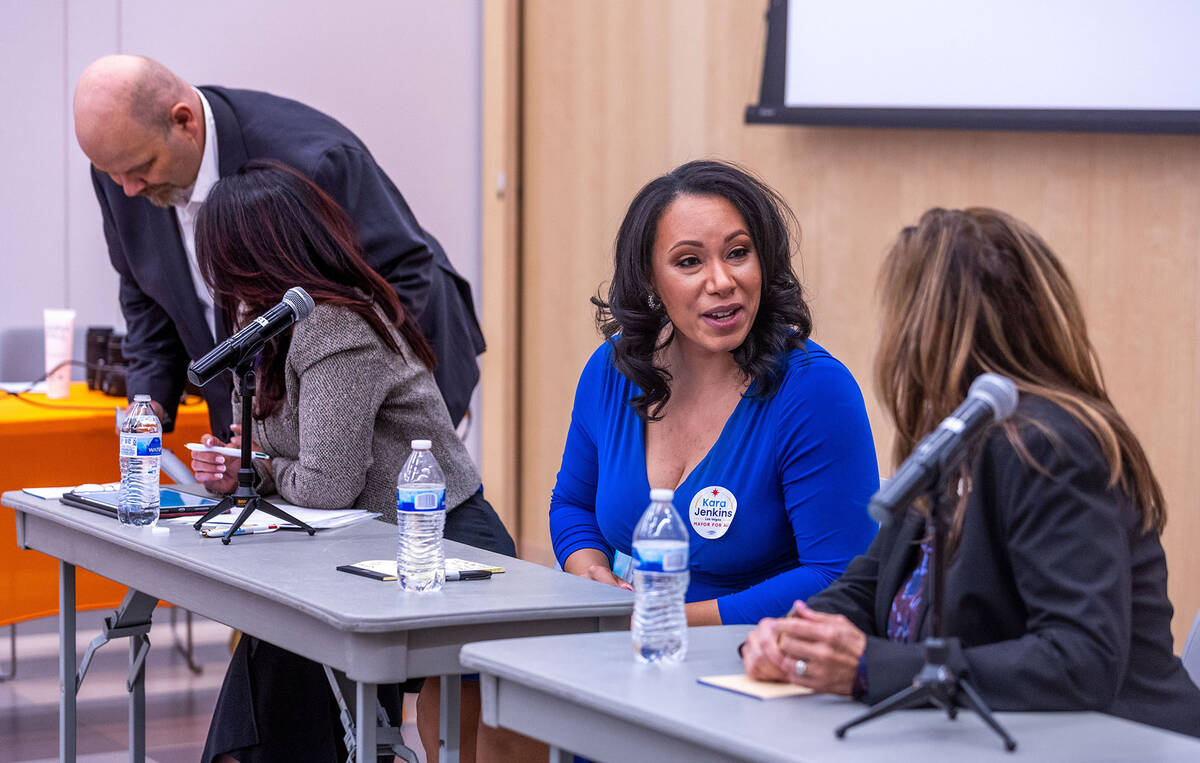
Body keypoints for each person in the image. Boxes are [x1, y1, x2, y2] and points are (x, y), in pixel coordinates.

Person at [741, 207, 1200, 738]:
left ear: (929, 328)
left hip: (1115, 742)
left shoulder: (1049, 447)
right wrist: (796, 638)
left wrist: (872, 669)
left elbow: (1079, 659)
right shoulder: (958, 435)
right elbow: (867, 588)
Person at [187, 160, 518, 762]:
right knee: (275, 646)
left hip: (439, 542)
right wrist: (246, 463)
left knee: (292, 663)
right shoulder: (266, 324)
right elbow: (297, 458)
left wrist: (259, 466)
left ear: (253, 255)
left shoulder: (334, 323)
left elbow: (326, 483)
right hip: (359, 546)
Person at [72, 54, 484, 439]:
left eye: (141, 169)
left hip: (395, 394)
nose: (128, 189)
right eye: (112, 173)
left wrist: (325, 421)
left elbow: (406, 275)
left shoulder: (314, 160)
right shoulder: (122, 174)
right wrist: (150, 405)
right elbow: (147, 294)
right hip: (267, 416)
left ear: (184, 122)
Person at [550, 160, 879, 627]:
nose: (722, 282)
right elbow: (573, 505)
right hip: (630, 642)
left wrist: (668, 620)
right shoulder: (614, 367)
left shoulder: (814, 389)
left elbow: (838, 574)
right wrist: (592, 572)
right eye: (689, 262)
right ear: (649, 280)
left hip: (758, 663)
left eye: (739, 253)